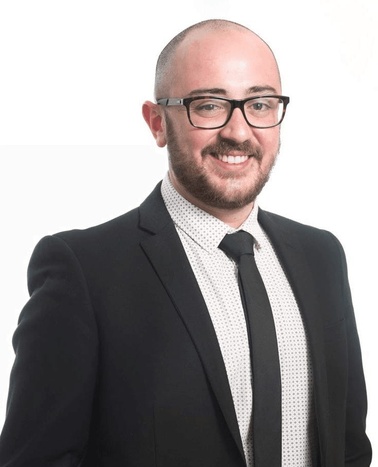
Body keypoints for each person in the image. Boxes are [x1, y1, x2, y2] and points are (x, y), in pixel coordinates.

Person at [0, 18, 372, 467]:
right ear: (157, 123)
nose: (239, 131)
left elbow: (350, 448)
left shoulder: (322, 257)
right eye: (210, 105)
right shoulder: (84, 271)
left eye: (260, 103)